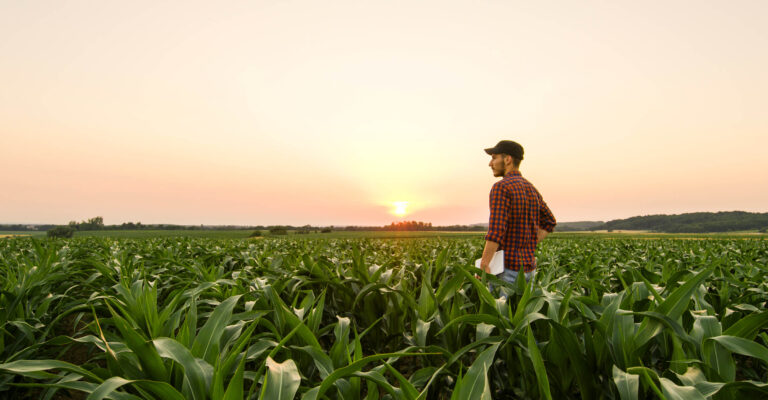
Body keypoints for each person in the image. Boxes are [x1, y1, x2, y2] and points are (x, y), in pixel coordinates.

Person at [479, 140, 556, 285]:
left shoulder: (501, 187)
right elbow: (550, 221)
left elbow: (496, 231)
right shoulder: (531, 188)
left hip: (505, 271)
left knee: (498, 308)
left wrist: (484, 263)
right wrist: (530, 243)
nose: (490, 163)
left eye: (494, 158)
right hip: (529, 271)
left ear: (507, 159)